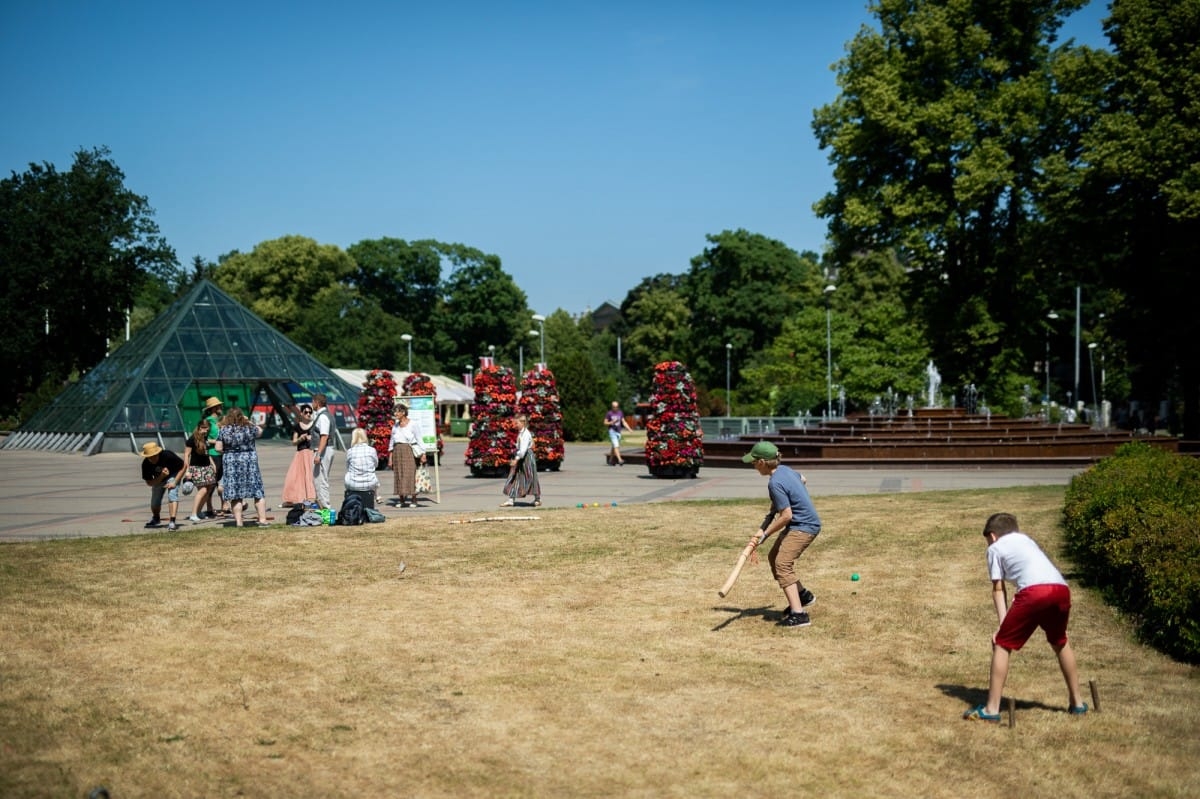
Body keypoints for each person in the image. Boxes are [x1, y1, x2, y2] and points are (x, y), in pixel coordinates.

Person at [963, 512, 1087, 721]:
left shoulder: (995, 548)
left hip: (1034, 592)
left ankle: (991, 709)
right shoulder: (1027, 540)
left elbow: (998, 589)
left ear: (992, 536)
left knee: (1002, 644)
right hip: (1061, 590)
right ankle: (1078, 703)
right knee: (1060, 640)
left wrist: (1002, 627)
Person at [742, 440, 820, 627]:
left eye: (753, 462)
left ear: (762, 462)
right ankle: (803, 596)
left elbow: (786, 516)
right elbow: (803, 478)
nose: (753, 466)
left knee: (782, 564)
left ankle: (799, 614)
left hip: (804, 526)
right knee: (774, 557)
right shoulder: (785, 469)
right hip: (800, 523)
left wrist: (764, 535)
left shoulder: (775, 483)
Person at [218, 407, 268, 527]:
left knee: (236, 495)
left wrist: (229, 452)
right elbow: (260, 431)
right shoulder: (249, 428)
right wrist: (249, 421)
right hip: (249, 462)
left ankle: (239, 522)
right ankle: (262, 520)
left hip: (231, 463)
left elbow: (218, 448)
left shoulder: (224, 430)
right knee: (257, 492)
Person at [140, 441, 185, 531]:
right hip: (158, 479)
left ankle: (172, 521)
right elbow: (149, 483)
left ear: (158, 453)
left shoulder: (167, 455)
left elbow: (183, 466)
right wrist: (162, 476)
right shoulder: (145, 464)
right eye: (149, 457)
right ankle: (156, 518)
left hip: (173, 475)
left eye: (154, 456)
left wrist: (175, 482)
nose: (152, 459)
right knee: (154, 502)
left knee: (172, 494)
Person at [501, 413, 541, 507]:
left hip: (526, 457)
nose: (516, 425)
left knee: (531, 477)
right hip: (522, 456)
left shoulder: (525, 434)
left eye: (517, 423)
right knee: (514, 476)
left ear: (523, 423)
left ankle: (537, 499)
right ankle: (511, 499)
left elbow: (523, 450)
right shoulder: (521, 433)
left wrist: (516, 459)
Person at [390, 403, 425, 508]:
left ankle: (414, 500)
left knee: (410, 475)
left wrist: (423, 453)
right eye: (394, 411)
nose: (395, 413)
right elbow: (391, 442)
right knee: (399, 475)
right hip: (397, 452)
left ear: (403, 412)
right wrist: (390, 458)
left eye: (397, 411)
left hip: (409, 451)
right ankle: (401, 500)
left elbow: (419, 438)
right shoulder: (395, 426)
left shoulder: (412, 424)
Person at [181, 421, 218, 523]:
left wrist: (213, 464)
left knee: (209, 489)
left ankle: (198, 512)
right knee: (202, 490)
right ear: (199, 427)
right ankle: (193, 514)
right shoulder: (191, 440)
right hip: (196, 468)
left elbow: (207, 453)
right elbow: (186, 455)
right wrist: (187, 470)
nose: (207, 430)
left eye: (208, 429)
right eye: (205, 428)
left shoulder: (204, 438)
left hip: (207, 467)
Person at [281, 404, 317, 507]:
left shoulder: (314, 425)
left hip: (311, 453)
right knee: (295, 477)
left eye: (310, 412)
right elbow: (294, 442)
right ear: (301, 413)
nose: (308, 414)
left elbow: (320, 439)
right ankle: (295, 498)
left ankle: (311, 498)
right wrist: (300, 439)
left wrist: (312, 438)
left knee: (310, 477)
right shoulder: (297, 426)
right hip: (300, 454)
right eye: (306, 412)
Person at [203, 396, 228, 517]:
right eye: (219, 406)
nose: (221, 408)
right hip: (213, 454)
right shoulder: (208, 421)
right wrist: (218, 441)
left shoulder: (220, 420)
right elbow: (205, 438)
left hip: (223, 453)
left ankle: (224, 506)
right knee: (212, 483)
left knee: (223, 482)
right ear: (213, 408)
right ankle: (209, 507)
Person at [343, 427, 380, 509]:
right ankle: (377, 496)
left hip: (352, 484)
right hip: (369, 483)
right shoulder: (372, 450)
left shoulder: (350, 451)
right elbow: (376, 465)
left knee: (348, 475)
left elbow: (348, 467)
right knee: (374, 477)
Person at [310, 393, 335, 509]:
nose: (312, 404)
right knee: (318, 480)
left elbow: (324, 437)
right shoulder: (324, 415)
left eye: (313, 402)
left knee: (321, 481)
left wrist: (318, 454)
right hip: (324, 450)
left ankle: (326, 508)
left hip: (323, 451)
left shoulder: (323, 417)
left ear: (317, 403)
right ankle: (322, 506)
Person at [604, 400, 633, 466]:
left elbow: (623, 422)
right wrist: (611, 422)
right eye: (614, 407)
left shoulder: (620, 413)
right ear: (612, 407)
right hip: (612, 431)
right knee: (616, 445)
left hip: (618, 431)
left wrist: (629, 429)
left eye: (616, 407)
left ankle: (611, 461)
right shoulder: (609, 413)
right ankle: (620, 460)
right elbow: (605, 422)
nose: (615, 408)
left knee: (614, 446)